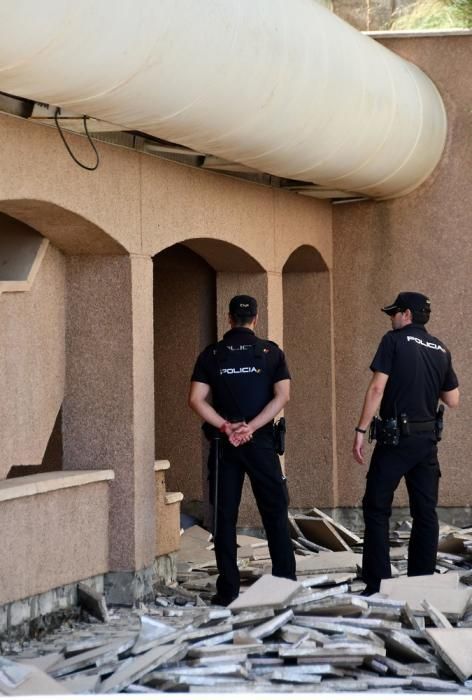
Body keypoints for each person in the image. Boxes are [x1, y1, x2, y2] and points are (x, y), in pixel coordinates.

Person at [188, 294, 296, 605]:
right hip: (259, 441)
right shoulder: (270, 352)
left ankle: (228, 591)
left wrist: (226, 426)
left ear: (229, 318)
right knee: (275, 512)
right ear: (256, 319)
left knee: (224, 516)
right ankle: (285, 584)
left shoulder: (212, 355)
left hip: (225, 445)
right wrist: (253, 426)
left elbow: (195, 399)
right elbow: (283, 396)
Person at [353, 292, 459, 595]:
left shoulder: (393, 341)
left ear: (407, 314)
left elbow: (377, 388)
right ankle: (421, 585)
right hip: (427, 442)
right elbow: (453, 399)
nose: (391, 318)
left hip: (395, 439)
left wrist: (360, 430)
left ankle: (377, 585)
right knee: (425, 513)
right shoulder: (440, 349)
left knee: (376, 508)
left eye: (394, 312)